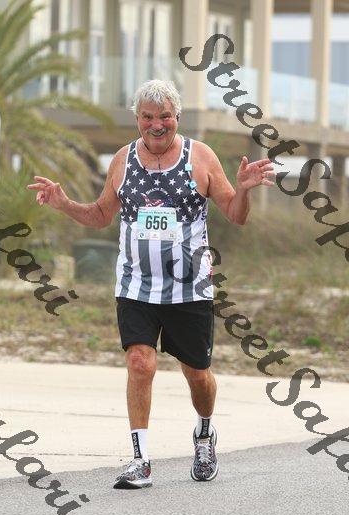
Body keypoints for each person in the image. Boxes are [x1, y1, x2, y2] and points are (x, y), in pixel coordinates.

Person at [27, 79, 275, 490]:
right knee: (140, 363)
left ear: (177, 117)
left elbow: (236, 214)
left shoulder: (201, 157)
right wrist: (64, 203)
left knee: (198, 376)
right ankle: (140, 460)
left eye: (164, 117)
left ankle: (204, 433)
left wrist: (244, 189)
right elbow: (100, 215)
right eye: (147, 117)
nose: (156, 125)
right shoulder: (123, 160)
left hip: (189, 287)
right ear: (137, 119)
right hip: (136, 286)